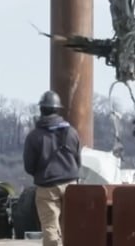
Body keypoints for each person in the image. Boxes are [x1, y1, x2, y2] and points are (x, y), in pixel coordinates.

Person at [23, 90, 82, 246]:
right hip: (71, 185)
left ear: (41, 110)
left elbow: (29, 167)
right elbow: (78, 161)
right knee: (72, 225)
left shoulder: (34, 136)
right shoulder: (71, 132)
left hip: (47, 186)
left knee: (50, 226)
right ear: (58, 109)